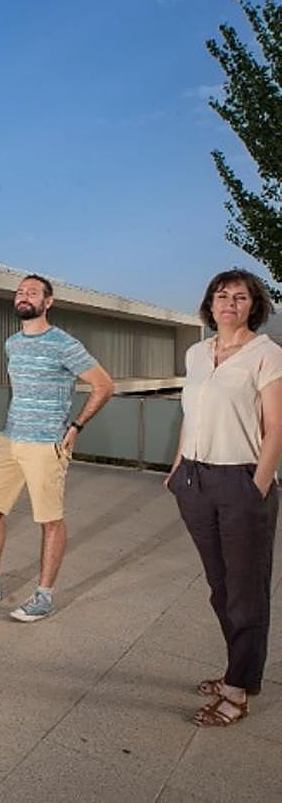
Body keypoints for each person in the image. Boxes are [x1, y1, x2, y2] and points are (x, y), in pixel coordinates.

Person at [0, 274, 114, 622]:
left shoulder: (64, 343)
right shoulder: (13, 343)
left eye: (32, 292)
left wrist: (77, 425)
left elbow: (103, 385)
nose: (23, 296)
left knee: (49, 520)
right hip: (11, 438)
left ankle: (44, 595)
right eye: (20, 291)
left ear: (47, 302)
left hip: (45, 443)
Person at [167, 269, 282, 728]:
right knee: (221, 587)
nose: (229, 303)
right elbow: (191, 414)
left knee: (246, 591)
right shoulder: (197, 353)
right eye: (221, 295)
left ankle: (238, 688)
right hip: (194, 481)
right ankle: (240, 670)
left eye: (239, 296)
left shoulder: (267, 355)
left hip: (240, 481)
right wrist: (177, 467)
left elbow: (275, 427)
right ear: (209, 304)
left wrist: (258, 485)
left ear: (253, 305)